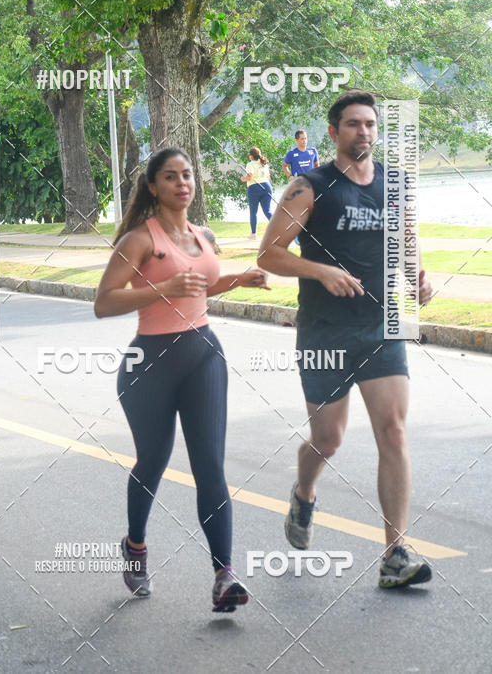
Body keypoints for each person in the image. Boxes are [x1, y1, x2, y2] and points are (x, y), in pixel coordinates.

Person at [258, 90, 434, 589]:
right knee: (329, 438)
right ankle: (304, 492)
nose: (365, 133)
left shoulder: (394, 185)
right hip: (325, 333)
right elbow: (268, 254)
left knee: (394, 432)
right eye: (354, 125)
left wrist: (417, 275)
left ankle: (395, 552)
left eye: (371, 125)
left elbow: (404, 241)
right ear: (333, 133)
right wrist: (320, 271)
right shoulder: (309, 186)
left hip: (381, 329)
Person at [94, 147, 270, 611]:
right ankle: (135, 547)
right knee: (152, 462)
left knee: (210, 466)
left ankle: (223, 575)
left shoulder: (202, 235)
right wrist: (161, 288)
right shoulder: (138, 240)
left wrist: (239, 278)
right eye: (170, 177)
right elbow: (104, 302)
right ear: (153, 186)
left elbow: (201, 286)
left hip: (204, 354)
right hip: (149, 363)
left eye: (187, 175)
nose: (182, 183)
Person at [240, 146, 273, 240]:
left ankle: (253, 234)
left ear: (251, 156)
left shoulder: (250, 164)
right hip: (267, 186)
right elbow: (268, 177)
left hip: (254, 187)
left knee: (253, 211)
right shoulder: (264, 164)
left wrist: (243, 179)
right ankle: (278, 230)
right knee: (267, 211)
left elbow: (249, 177)